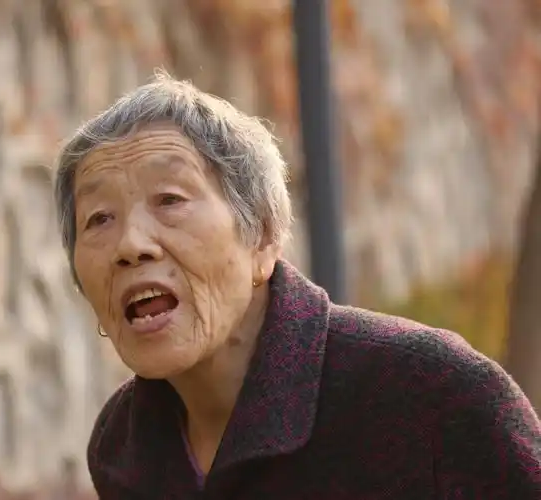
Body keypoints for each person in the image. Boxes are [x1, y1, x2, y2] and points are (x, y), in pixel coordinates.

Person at [52, 73, 541, 499]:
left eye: (169, 199)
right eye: (99, 218)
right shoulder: (123, 446)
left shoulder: (433, 392)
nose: (131, 244)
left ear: (263, 237)